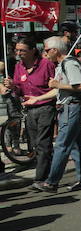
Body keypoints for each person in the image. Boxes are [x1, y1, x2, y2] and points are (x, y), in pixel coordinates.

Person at [28, 37, 81, 193]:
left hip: (72, 107)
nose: (44, 53)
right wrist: (37, 98)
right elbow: (58, 90)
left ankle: (51, 182)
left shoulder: (69, 63)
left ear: (54, 50)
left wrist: (58, 84)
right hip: (69, 107)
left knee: (62, 145)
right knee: (77, 146)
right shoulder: (61, 65)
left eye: (45, 50)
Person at [1, 35, 56, 186]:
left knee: (43, 144)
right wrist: (13, 86)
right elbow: (19, 90)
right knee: (35, 146)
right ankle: (51, 173)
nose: (18, 54)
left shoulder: (46, 64)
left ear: (33, 50)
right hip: (29, 109)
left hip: (45, 107)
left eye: (22, 51)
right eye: (17, 51)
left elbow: (55, 88)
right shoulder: (19, 67)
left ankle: (41, 179)